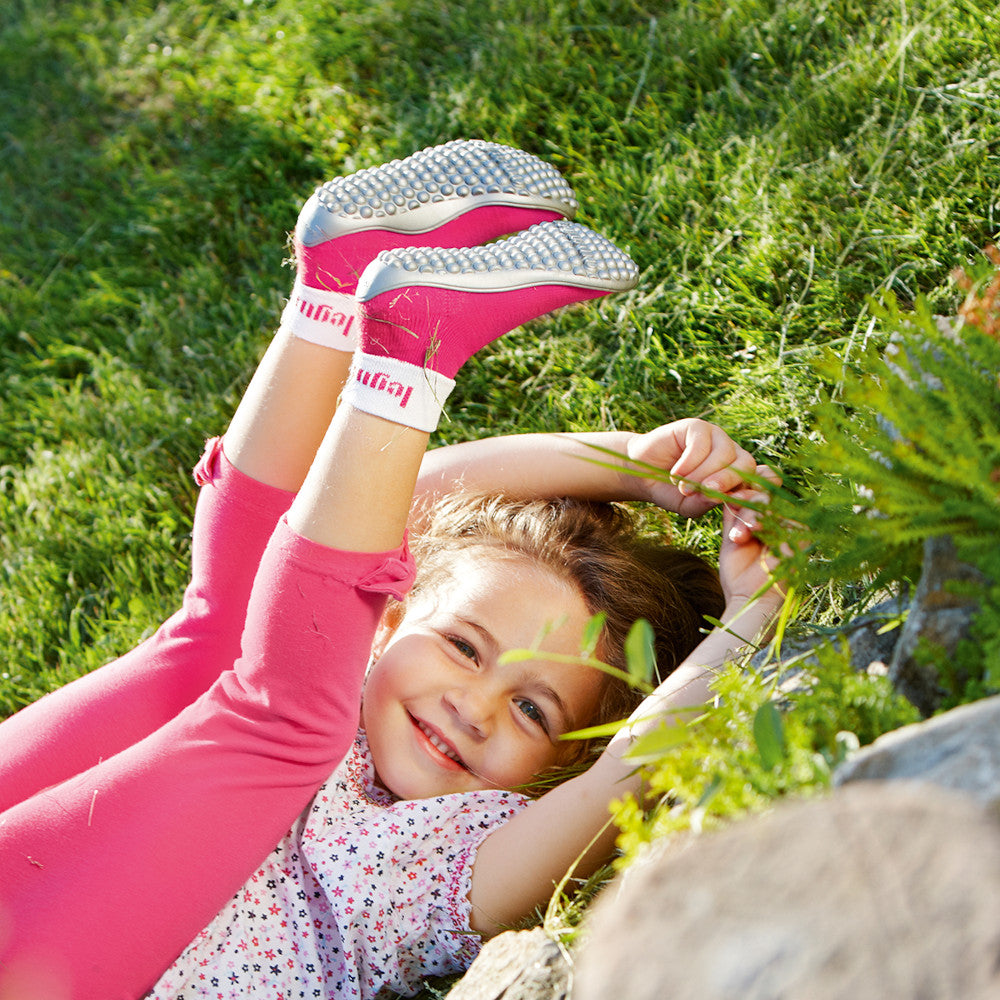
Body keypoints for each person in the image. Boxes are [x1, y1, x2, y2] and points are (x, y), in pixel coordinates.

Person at [0, 140, 783, 1000]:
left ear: (555, 760)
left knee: (246, 674)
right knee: (258, 670)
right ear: (389, 616)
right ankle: (372, 326)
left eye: (533, 709)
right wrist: (627, 463)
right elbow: (384, 495)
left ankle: (360, 319)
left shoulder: (448, 864)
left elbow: (622, 774)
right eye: (463, 646)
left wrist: (753, 613)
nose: (476, 706)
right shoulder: (330, 670)